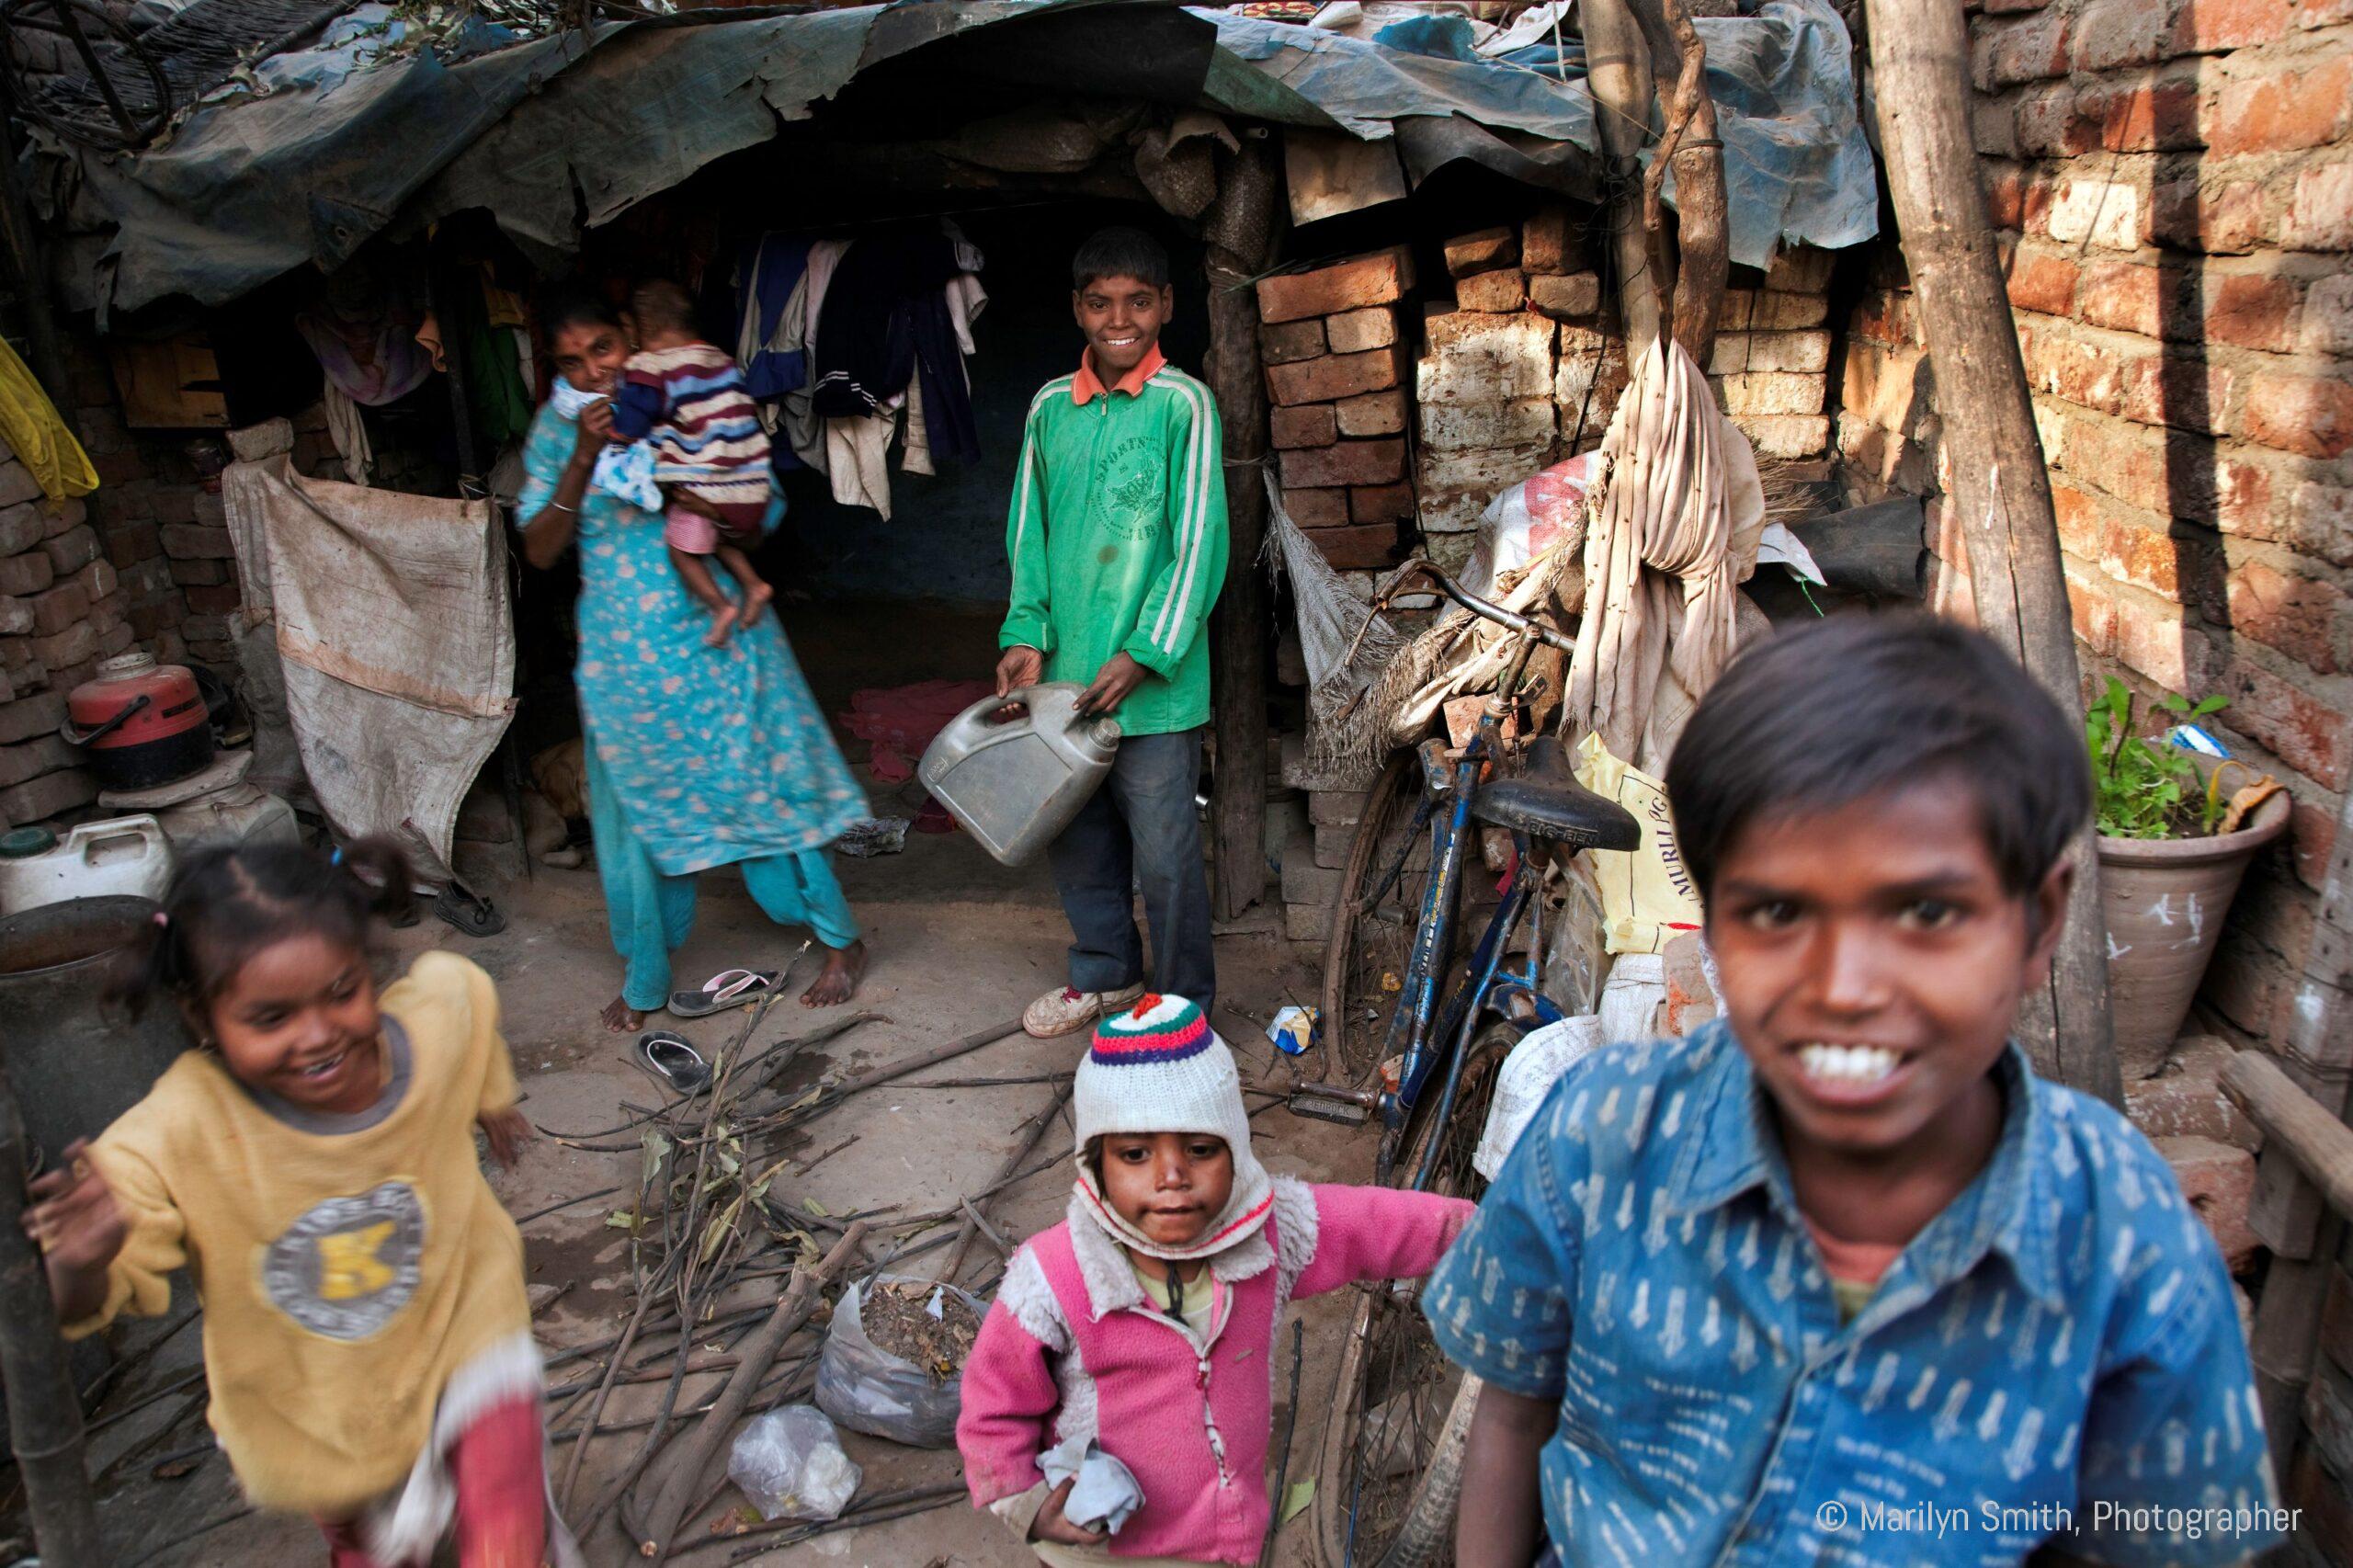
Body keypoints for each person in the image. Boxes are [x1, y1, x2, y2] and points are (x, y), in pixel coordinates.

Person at [1427, 615, 2286, 1567]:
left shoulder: (2119, 1238)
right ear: (1709, 922)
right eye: (1777, 911)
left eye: (1926, 911)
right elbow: (1513, 1416)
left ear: (2039, 923)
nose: (1844, 988)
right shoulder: (1602, 1135)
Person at [21, 839, 579, 1568]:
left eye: (342, 993)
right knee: (364, 1541)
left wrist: (490, 1098)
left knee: (504, 1523)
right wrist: (80, 1262)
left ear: (367, 966)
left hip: (467, 1322)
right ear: (201, 1016)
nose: (317, 1036)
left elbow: (463, 996)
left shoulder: (429, 1029)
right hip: (317, 1400)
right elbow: (81, 1302)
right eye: (270, 1019)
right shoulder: (177, 1131)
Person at [957, 994, 1472, 1566]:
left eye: (1201, 1149)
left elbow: (1371, 1224)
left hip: (1225, 1536)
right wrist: (1027, 1502)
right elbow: (993, 1407)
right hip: (1102, 1549)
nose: (1172, 1175)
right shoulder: (1054, 1276)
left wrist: (1483, 1231)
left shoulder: (1272, 1233)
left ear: (1237, 1150)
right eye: (1135, 1154)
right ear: (1095, 1165)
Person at [521, 288, 869, 1027]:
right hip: (622, 659)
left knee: (766, 786)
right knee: (631, 814)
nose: (594, 372)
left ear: (630, 335)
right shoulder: (556, 430)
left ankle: (842, 941)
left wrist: (714, 507)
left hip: (722, 643)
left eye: (604, 349)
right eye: (573, 363)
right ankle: (645, 973)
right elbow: (540, 549)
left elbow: (762, 512)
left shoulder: (689, 393)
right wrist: (583, 456)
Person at [995, 226, 1228, 1040]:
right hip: (1063, 682)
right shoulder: (1049, 408)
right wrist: (1024, 635)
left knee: (1166, 855)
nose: (1119, 320)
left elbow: (1199, 543)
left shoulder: (1183, 405)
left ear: (1165, 306)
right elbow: (1028, 534)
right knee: (1078, 842)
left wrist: (1144, 654)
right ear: (1078, 310)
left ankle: (1184, 1004)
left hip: (1154, 691)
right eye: (1100, 304)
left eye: (1137, 302)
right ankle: (1106, 976)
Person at [611, 279, 776, 646]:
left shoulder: (652, 364)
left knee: (681, 550)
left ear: (642, 328)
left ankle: (721, 607)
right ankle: (754, 584)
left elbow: (635, 418)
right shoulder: (720, 360)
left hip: (701, 484)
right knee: (716, 539)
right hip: (747, 484)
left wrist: (616, 437)